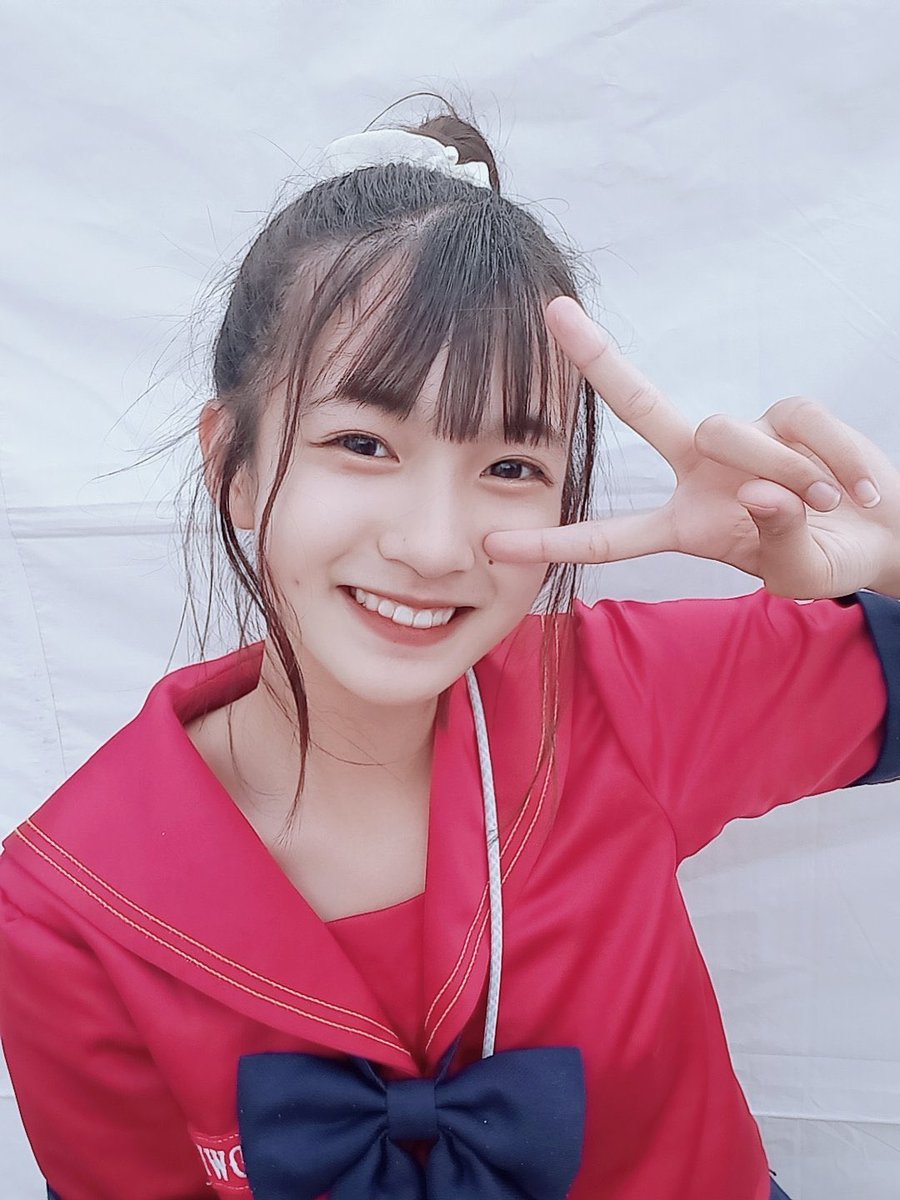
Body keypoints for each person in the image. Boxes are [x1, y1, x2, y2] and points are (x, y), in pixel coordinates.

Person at [1, 104, 898, 1200]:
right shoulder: (67, 906)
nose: (432, 547)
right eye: (363, 443)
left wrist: (889, 558)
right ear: (232, 463)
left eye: (511, 466)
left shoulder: (625, 695)